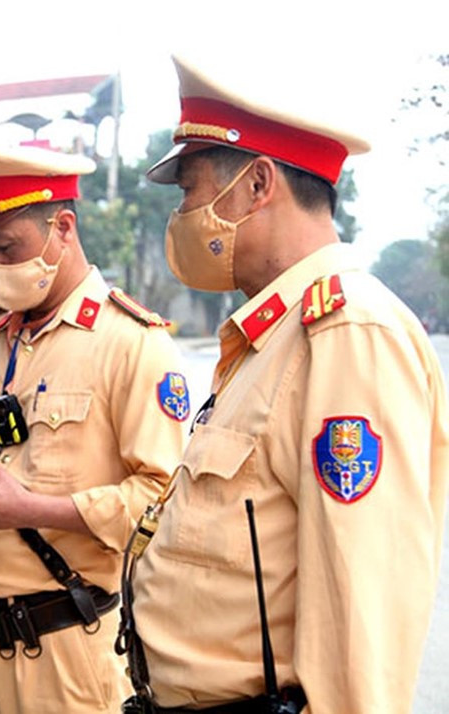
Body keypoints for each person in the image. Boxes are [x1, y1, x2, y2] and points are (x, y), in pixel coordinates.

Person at [121, 57, 449, 713]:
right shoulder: (272, 336)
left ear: (257, 184)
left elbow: (362, 614)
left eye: (190, 191)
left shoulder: (347, 334)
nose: (182, 214)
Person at [0, 143, 189, 712]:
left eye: (8, 247)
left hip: (63, 655)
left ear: (63, 228)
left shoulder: (133, 344)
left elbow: (161, 504)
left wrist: (30, 511)